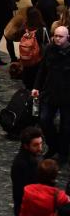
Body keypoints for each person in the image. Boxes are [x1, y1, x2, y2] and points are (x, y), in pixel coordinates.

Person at [32, 25, 70, 162]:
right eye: (55, 36)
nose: (57, 39)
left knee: (66, 127)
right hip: (50, 92)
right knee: (44, 120)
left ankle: (63, 152)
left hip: (67, 96)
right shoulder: (49, 49)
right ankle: (53, 146)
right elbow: (42, 69)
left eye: (61, 36)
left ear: (67, 38)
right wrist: (36, 86)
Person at [11, 127, 44, 216]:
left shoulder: (34, 156)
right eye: (36, 145)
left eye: (41, 144)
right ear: (26, 146)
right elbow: (21, 193)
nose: (40, 148)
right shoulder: (21, 164)